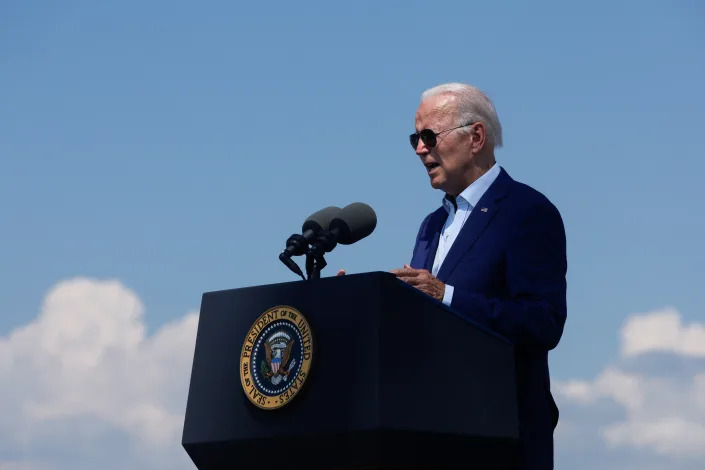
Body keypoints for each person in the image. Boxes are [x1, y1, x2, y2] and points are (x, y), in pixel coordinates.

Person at [391, 83, 567, 469]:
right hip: (433, 437)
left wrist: (446, 296)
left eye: (429, 136)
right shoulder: (432, 225)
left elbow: (544, 322)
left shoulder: (526, 212)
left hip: (502, 438)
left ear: (476, 137)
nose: (420, 149)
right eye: (415, 138)